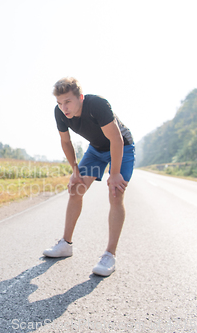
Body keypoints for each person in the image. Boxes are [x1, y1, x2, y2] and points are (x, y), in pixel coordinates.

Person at [43, 77, 135, 277]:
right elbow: (65, 142)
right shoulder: (60, 113)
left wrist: (115, 172)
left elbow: (116, 139)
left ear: (80, 98)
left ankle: (110, 255)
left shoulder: (97, 105)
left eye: (68, 102)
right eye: (59, 103)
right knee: (76, 189)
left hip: (121, 146)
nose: (64, 108)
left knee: (115, 194)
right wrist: (75, 170)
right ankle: (65, 245)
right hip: (95, 150)